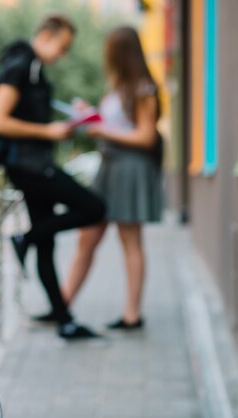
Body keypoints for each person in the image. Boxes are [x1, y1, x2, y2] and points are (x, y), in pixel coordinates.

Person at [0, 15, 106, 340]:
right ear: (45, 36)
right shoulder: (21, 65)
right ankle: (25, 238)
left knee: (47, 244)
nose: (62, 54)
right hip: (30, 168)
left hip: (34, 164)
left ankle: (63, 317)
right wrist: (47, 131)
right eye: (62, 46)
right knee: (95, 209)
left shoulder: (33, 67)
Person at [60, 26, 164, 330]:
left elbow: (146, 136)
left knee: (130, 239)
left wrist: (102, 129)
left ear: (120, 52)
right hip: (109, 167)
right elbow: (118, 124)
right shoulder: (118, 86)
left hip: (130, 168)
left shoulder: (144, 88)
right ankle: (61, 304)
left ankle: (132, 314)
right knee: (87, 236)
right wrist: (91, 115)